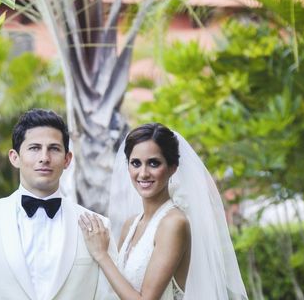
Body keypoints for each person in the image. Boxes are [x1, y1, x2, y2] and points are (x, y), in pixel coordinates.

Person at [0, 109, 116, 300]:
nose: (44, 157)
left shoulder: (99, 226)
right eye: (34, 148)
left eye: (54, 148)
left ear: (67, 159)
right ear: (15, 157)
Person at [79, 123, 247, 300]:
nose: (143, 173)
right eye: (136, 163)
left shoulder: (174, 223)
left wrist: (102, 255)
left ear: (172, 167)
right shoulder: (131, 224)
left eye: (153, 163)